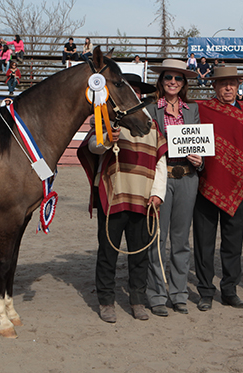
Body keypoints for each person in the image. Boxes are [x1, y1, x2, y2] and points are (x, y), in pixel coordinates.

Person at [77, 73, 167, 323]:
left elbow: (161, 160)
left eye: (137, 91)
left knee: (139, 253)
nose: (134, 95)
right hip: (114, 194)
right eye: (130, 90)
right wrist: (107, 139)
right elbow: (93, 146)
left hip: (143, 196)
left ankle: (137, 300)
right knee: (108, 252)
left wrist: (158, 193)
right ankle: (106, 301)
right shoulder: (105, 119)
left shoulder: (151, 123)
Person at [194, 66, 243, 312]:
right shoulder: (201, 109)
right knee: (204, 243)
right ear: (214, 86)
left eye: (232, 83)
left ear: (238, 86)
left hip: (237, 187)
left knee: (233, 243)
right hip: (206, 184)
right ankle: (206, 291)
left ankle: (229, 290)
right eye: (223, 83)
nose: (228, 87)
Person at [144, 59, 200, 317]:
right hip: (162, 177)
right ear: (161, 81)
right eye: (168, 78)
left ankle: (178, 294)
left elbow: (199, 142)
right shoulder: (150, 109)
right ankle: (156, 294)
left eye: (178, 79)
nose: (173, 82)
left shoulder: (193, 110)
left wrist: (200, 159)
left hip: (188, 177)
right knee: (158, 238)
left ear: (184, 83)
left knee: (180, 240)